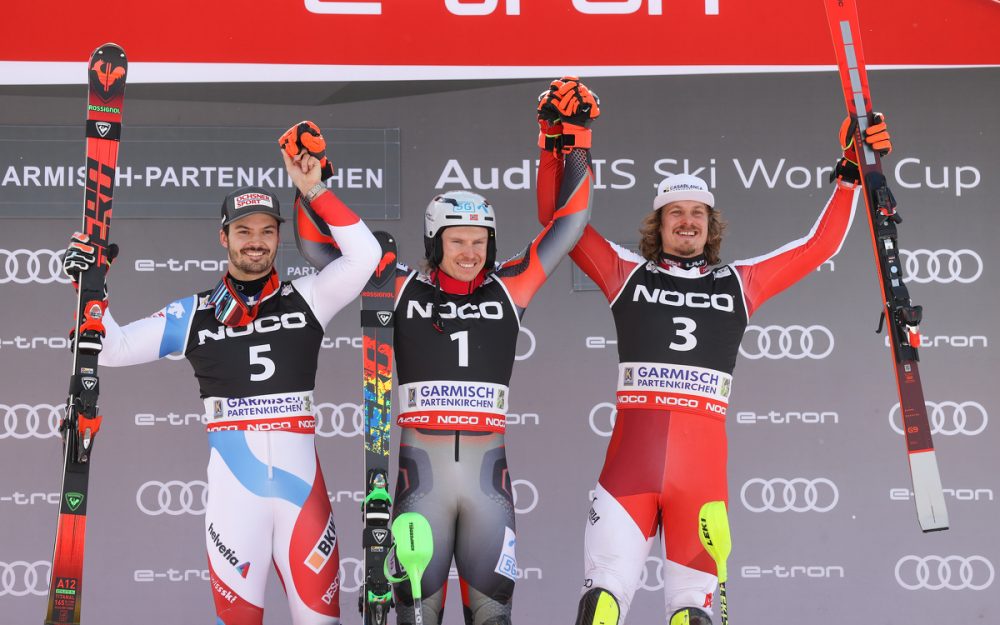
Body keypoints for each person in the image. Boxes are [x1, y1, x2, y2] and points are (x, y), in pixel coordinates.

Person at [537, 113, 893, 625]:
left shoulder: (739, 284)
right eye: (675, 212)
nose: (687, 221)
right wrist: (558, 145)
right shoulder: (626, 273)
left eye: (698, 212)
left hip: (699, 482)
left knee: (692, 615)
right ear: (657, 225)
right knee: (601, 608)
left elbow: (820, 246)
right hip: (629, 475)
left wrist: (851, 173)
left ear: (711, 223)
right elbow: (560, 221)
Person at [294, 78, 599, 625]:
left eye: (480, 242)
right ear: (435, 243)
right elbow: (318, 248)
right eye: (458, 241)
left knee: (494, 616)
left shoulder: (511, 286)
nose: (470, 252)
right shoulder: (399, 286)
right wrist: (311, 185)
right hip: (420, 485)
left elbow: (570, 224)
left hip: (489, 488)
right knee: (416, 616)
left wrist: (572, 140)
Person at [61, 123, 382, 625]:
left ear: (280, 236)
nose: (256, 243)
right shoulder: (194, 314)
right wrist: (88, 286)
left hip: (304, 501)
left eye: (267, 231)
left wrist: (313, 189)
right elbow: (113, 349)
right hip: (236, 503)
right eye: (244, 231)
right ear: (224, 236)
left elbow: (366, 257)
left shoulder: (309, 297)